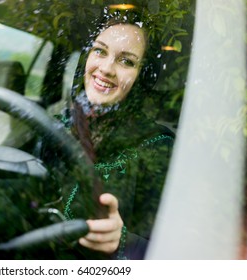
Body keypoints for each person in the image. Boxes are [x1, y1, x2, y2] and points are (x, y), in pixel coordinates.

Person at [59, 9, 175, 260]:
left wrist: (121, 242)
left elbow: (172, 253)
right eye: (99, 51)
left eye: (127, 61)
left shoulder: (157, 148)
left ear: (142, 78)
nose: (106, 68)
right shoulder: (59, 125)